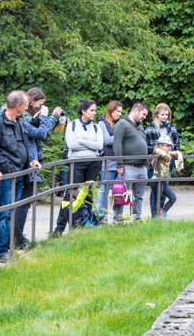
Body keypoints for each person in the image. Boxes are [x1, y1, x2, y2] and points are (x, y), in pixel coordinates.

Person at [0, 91, 40, 264]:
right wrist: (7, 167)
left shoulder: (20, 123)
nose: (27, 108)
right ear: (18, 106)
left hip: (20, 174)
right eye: (25, 105)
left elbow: (22, 146)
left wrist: (31, 161)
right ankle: (0, 251)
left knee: (12, 211)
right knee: (3, 213)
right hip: (8, 175)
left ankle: (8, 247)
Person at [13, 88, 62, 246]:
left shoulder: (25, 118)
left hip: (30, 161)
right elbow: (42, 134)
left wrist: (43, 119)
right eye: (39, 105)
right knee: (22, 204)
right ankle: (17, 238)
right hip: (26, 164)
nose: (39, 107)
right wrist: (50, 117)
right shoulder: (22, 118)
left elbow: (39, 131)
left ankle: (18, 236)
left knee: (22, 204)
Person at [54, 99, 104, 233]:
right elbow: (71, 145)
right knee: (70, 195)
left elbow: (99, 146)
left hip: (93, 163)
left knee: (88, 194)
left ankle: (82, 226)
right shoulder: (72, 125)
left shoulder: (96, 127)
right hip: (76, 163)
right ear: (83, 111)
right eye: (92, 110)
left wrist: (81, 141)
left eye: (95, 110)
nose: (94, 113)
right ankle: (59, 229)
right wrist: (89, 144)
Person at [113, 102, 149, 221]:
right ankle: (117, 219)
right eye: (143, 114)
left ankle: (136, 218)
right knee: (121, 194)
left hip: (142, 167)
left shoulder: (140, 127)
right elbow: (117, 144)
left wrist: (147, 165)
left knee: (138, 196)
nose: (145, 117)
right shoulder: (122, 124)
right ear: (135, 111)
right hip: (128, 166)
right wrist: (119, 163)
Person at [145, 104, 180, 215]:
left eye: (167, 114)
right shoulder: (150, 129)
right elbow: (146, 147)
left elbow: (177, 147)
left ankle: (161, 213)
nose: (165, 117)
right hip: (155, 164)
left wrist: (179, 166)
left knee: (164, 189)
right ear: (156, 115)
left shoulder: (173, 128)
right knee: (155, 190)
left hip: (168, 163)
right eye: (162, 114)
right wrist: (158, 151)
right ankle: (154, 214)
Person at [97, 101, 123, 215]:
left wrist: (116, 139)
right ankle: (101, 214)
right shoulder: (102, 122)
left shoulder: (120, 123)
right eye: (118, 111)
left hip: (119, 159)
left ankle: (118, 215)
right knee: (105, 188)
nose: (119, 114)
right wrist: (120, 138)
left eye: (121, 112)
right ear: (111, 110)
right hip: (108, 159)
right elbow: (106, 140)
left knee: (119, 188)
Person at [151, 135, 180, 216]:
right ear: (160, 145)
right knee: (157, 201)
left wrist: (179, 158)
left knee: (173, 198)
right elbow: (166, 155)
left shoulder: (167, 153)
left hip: (163, 180)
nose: (169, 148)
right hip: (156, 180)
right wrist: (170, 156)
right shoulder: (157, 151)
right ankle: (154, 218)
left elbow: (177, 152)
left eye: (170, 146)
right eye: (167, 146)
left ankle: (162, 214)